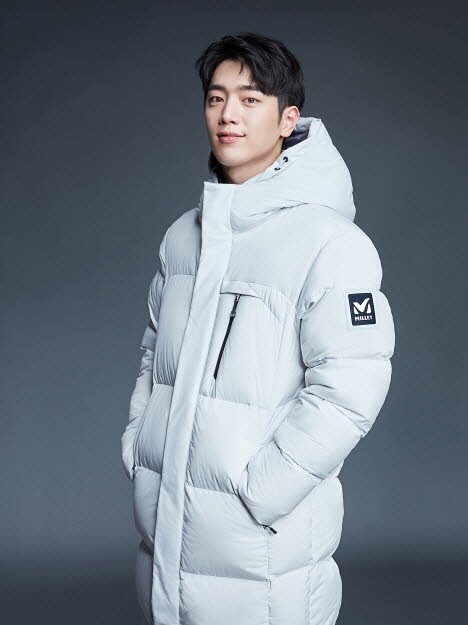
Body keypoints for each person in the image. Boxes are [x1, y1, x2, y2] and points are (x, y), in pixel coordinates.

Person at [121, 31, 395, 625]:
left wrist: (261, 491)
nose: (228, 115)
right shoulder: (183, 237)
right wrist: (141, 445)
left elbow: (351, 390)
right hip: (167, 533)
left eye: (250, 99)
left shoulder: (330, 243)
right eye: (216, 98)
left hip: (263, 550)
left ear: (287, 119)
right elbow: (153, 353)